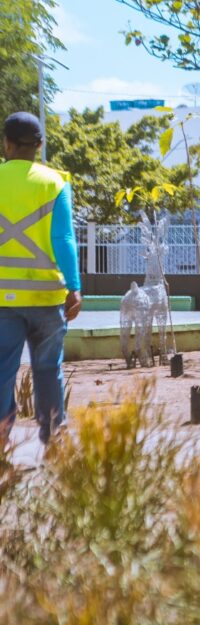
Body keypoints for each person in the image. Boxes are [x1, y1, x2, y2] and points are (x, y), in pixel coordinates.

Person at [0, 112, 82, 446]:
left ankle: (1, 439)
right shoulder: (55, 183)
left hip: (3, 301)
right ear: (40, 145)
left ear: (6, 144)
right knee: (49, 370)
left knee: (2, 374)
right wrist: (73, 286)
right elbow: (64, 239)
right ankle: (54, 441)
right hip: (48, 300)